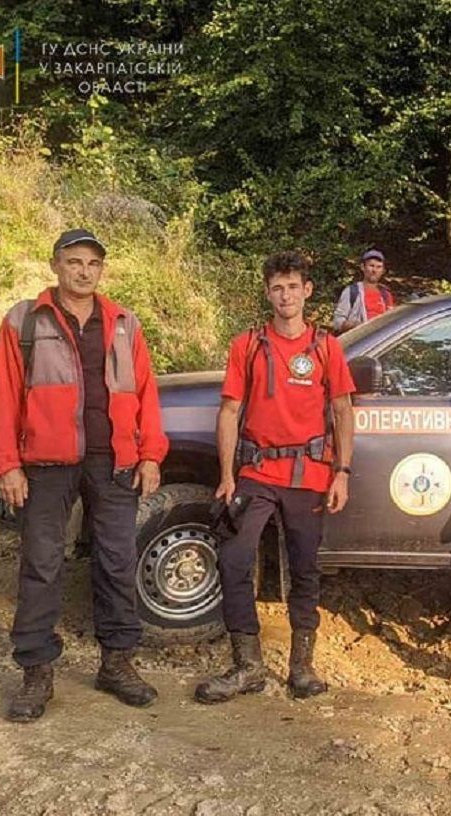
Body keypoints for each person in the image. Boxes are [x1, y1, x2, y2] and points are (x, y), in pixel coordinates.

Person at [0, 228, 168, 722]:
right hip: (45, 465)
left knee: (116, 560)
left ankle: (118, 664)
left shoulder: (124, 323)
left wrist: (151, 454)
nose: (83, 271)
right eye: (74, 262)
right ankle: (36, 673)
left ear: (100, 270)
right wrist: (7, 464)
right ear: (55, 266)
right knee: (42, 564)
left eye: (92, 263)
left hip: (114, 462)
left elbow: (146, 392)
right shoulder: (26, 320)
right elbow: (0, 395)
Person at [195, 251, 356, 704]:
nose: (285, 295)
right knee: (234, 559)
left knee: (304, 568)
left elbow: (343, 410)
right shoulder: (247, 344)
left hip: (309, 476)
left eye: (293, 286)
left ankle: (301, 667)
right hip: (256, 473)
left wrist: (341, 472)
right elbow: (229, 412)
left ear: (307, 291)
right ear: (267, 293)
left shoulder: (326, 347)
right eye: (276, 287)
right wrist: (227, 475)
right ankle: (247, 665)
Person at [332, 248, 395, 333]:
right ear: (363, 267)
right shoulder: (352, 291)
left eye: (378, 267)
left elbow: (392, 321)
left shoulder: (386, 295)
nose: (374, 270)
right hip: (360, 342)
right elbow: (337, 322)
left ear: (383, 271)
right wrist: (356, 326)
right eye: (371, 266)